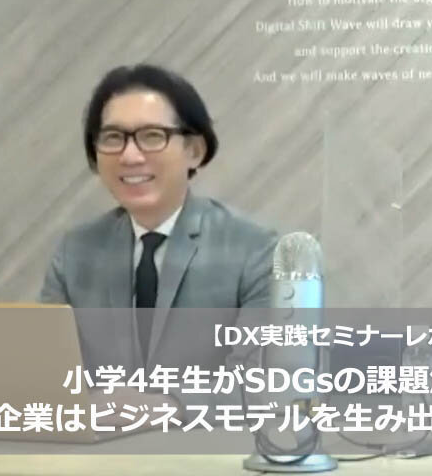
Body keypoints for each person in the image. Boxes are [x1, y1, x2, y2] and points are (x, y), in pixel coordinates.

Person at [40, 63, 277, 423]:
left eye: (152, 136)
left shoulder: (258, 250)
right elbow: (47, 375)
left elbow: (270, 382)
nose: (130, 156)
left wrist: (161, 407)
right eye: (113, 138)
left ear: (194, 150)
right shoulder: (75, 253)